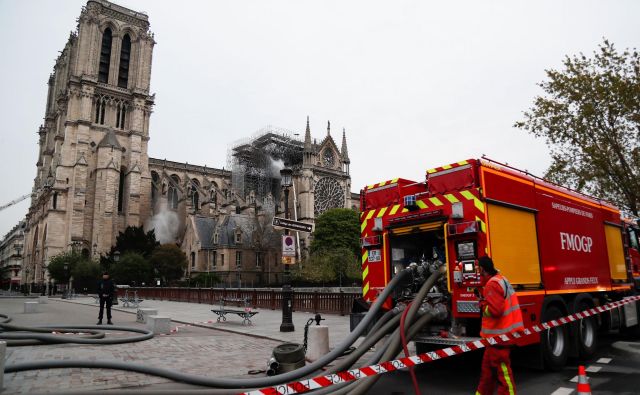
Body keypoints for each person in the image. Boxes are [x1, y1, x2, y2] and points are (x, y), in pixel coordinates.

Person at [475, 256, 523, 395]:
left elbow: (495, 311)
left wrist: (482, 305)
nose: (478, 274)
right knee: (487, 375)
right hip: (495, 339)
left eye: (478, 270)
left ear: (483, 269)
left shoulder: (491, 284)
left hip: (499, 338)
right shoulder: (501, 279)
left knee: (503, 377)